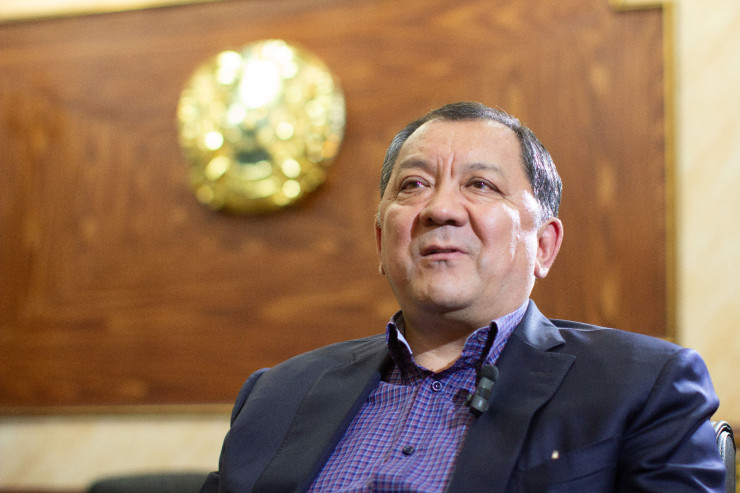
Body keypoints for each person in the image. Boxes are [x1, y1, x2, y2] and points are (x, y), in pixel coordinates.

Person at [200, 102, 724, 492]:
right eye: (413, 185)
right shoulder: (276, 395)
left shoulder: (644, 385)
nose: (440, 209)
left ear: (543, 245)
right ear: (382, 242)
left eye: (480, 185)